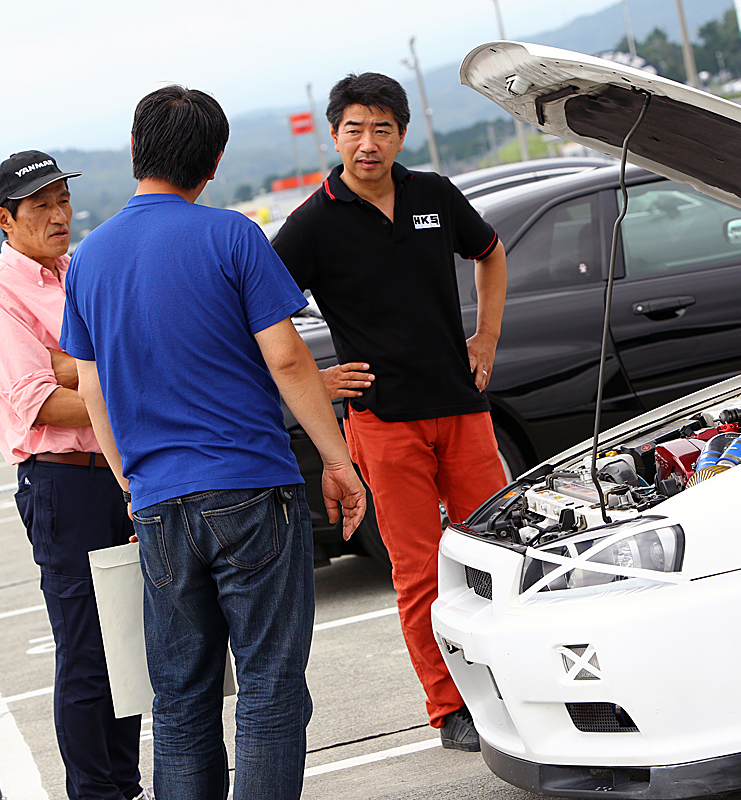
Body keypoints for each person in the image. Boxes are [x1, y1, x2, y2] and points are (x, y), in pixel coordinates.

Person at [59, 86, 365, 800]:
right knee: (268, 686)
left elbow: (94, 391)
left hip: (159, 504)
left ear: (135, 150)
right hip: (250, 490)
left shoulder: (91, 259)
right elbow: (288, 359)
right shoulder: (232, 236)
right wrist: (338, 460)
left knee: (180, 699)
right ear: (216, 162)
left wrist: (132, 486)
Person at [272, 72, 508, 752]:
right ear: (334, 133)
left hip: (462, 412)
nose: (367, 143)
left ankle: (511, 683)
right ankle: (449, 709)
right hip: (384, 423)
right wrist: (316, 379)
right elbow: (253, 317)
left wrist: (486, 337)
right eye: (353, 128)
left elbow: (489, 253)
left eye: (381, 128)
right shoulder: (312, 223)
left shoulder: (432, 193)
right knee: (418, 572)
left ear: (401, 134)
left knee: (497, 555)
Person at [0, 151, 147, 800]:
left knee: (130, 640)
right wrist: (98, 378)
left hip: (123, 472)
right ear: (4, 220)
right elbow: (40, 402)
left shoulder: (82, 270)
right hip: (63, 482)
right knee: (88, 652)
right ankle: (96, 793)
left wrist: (75, 364)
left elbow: (112, 354)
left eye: (62, 199)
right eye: (40, 205)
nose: (59, 214)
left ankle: (127, 782)